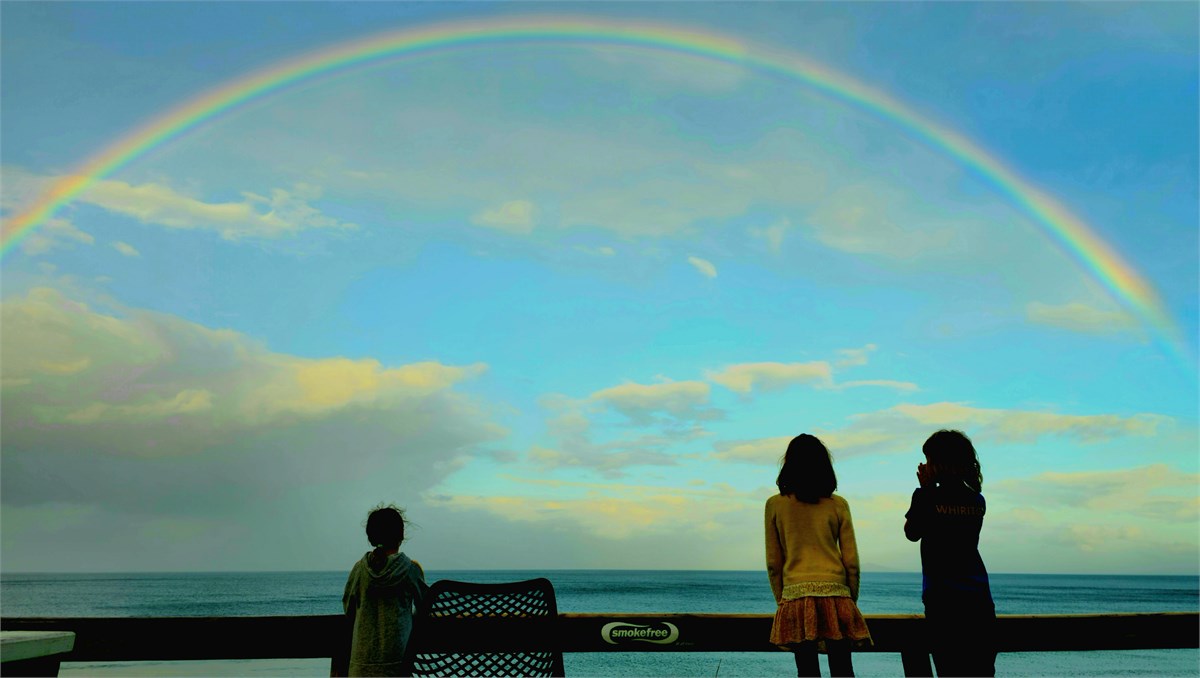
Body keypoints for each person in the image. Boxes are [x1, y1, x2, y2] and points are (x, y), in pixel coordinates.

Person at [766, 434, 872, 677]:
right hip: (836, 592)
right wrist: (849, 600)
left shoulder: (775, 504)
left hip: (796, 594)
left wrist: (783, 601)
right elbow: (852, 562)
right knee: (843, 669)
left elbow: (774, 564)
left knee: (807, 671)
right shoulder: (838, 504)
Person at [904, 430, 997, 677]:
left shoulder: (926, 497)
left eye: (929, 459)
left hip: (942, 599)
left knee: (949, 669)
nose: (925, 465)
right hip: (979, 598)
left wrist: (924, 490)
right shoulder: (977, 500)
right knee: (982, 670)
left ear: (940, 464)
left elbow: (912, 532)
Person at [341, 504, 429, 677]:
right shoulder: (410, 570)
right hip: (399, 666)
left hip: (361, 667)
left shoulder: (359, 570)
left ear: (371, 537)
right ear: (401, 536)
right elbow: (425, 608)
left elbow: (348, 608)